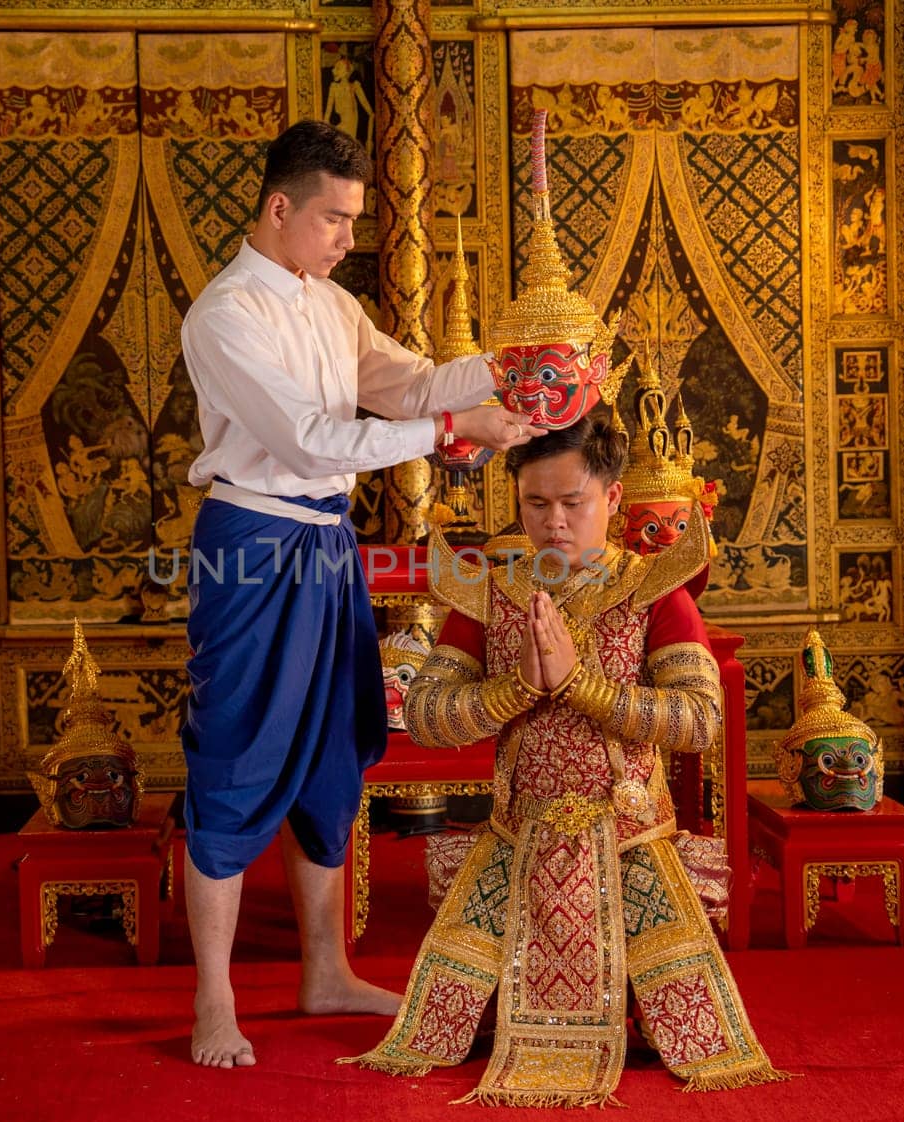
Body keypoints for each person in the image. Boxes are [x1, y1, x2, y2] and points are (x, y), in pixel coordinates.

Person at [177, 119, 540, 1070]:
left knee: (336, 748)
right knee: (236, 751)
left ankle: (323, 971)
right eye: (336, 219)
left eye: (353, 221)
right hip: (253, 542)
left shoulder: (332, 307)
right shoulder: (224, 316)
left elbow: (409, 382)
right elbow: (307, 442)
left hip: (327, 542)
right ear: (279, 207)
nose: (347, 238)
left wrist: (514, 369)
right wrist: (454, 427)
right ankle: (214, 1000)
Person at [346, 412, 787, 1105]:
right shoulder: (491, 593)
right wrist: (516, 688)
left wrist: (583, 687)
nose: (553, 523)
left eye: (572, 503)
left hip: (629, 840)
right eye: (535, 504)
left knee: (668, 1018)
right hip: (517, 838)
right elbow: (428, 716)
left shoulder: (654, 590)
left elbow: (699, 720)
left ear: (612, 499)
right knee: (459, 1021)